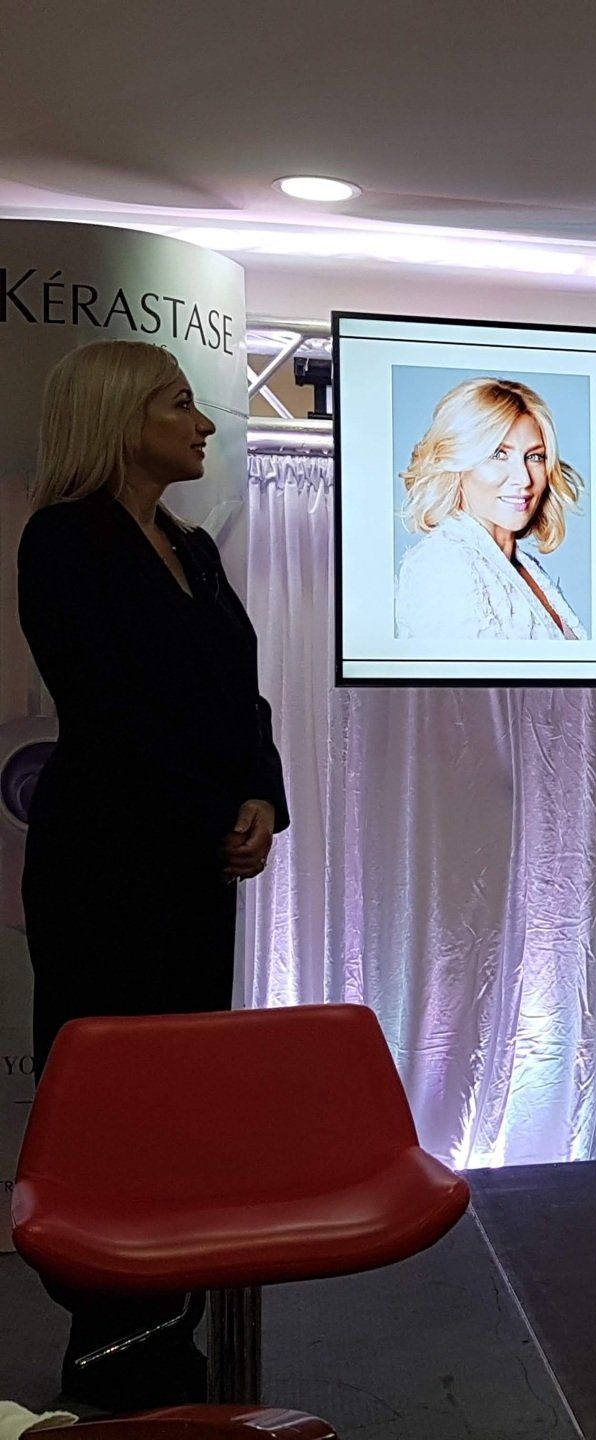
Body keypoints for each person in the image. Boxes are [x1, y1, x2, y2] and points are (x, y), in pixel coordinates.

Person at [16, 339, 290, 1405]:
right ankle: (111, 1350)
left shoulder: (194, 548)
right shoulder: (62, 540)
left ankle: (170, 1338)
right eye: (180, 404)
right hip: (107, 867)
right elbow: (110, 711)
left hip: (191, 869)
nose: (204, 422)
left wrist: (260, 794)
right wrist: (213, 811)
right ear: (119, 418)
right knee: (113, 1112)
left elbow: (241, 696)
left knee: (180, 1107)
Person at [393, 376, 585, 640]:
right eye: (498, 454)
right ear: (458, 461)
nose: (524, 479)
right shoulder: (441, 565)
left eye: (534, 456)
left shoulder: (526, 567)